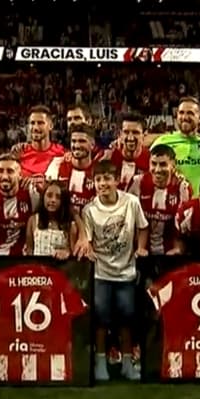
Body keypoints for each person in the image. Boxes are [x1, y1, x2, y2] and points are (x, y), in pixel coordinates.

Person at [81, 161, 149, 381]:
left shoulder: (132, 202)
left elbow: (143, 227)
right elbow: (87, 239)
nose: (102, 184)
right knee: (101, 320)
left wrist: (140, 247)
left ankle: (127, 364)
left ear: (117, 180)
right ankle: (100, 364)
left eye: (107, 179)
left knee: (127, 320)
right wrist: (89, 249)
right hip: (101, 274)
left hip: (126, 272)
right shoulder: (89, 210)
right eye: (98, 180)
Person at [151, 97, 200, 192]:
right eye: (181, 113)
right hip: (171, 200)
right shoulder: (162, 142)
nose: (185, 117)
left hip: (199, 201)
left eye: (190, 113)